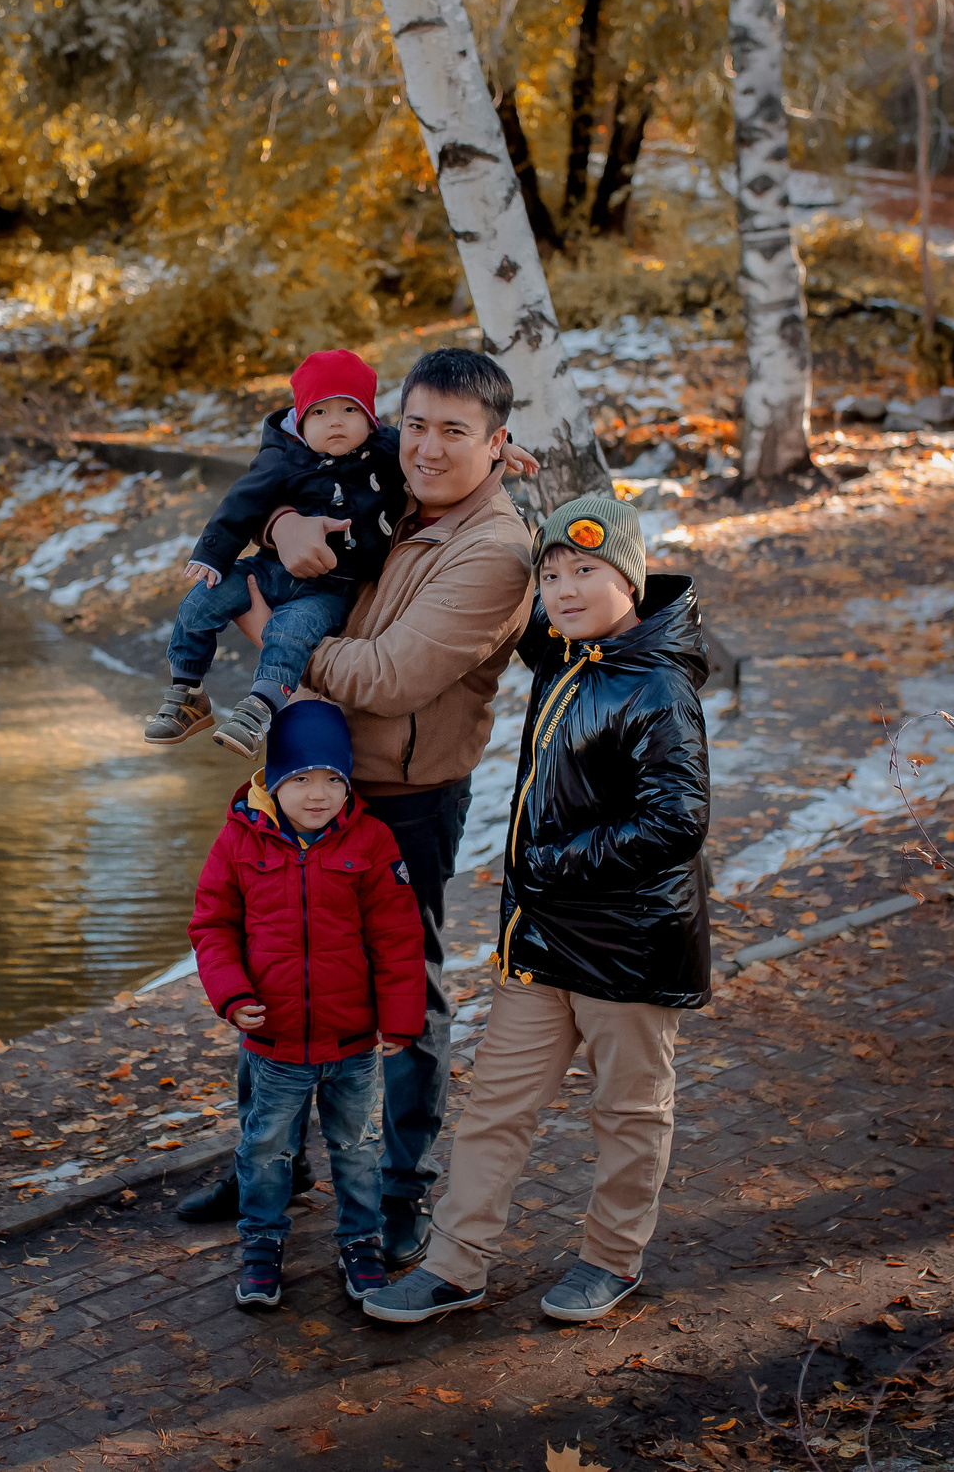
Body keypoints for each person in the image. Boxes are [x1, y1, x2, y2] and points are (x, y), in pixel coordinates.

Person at [173, 347, 540, 1271]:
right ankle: (273, 1165)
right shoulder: (399, 483)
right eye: (414, 423)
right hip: (306, 772)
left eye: (455, 432)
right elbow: (298, 470)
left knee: (402, 989)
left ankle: (401, 1190)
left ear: (497, 444)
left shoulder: (495, 551)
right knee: (274, 958)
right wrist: (292, 516)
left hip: (403, 796)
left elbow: (383, 677)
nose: (424, 446)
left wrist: (266, 636)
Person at [362, 496, 712, 1325]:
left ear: (627, 575)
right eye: (550, 574)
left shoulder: (658, 685)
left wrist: (554, 862)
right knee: (495, 1108)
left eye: (584, 571)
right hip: (541, 941)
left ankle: (612, 1257)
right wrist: (489, 487)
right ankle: (454, 1264)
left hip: (627, 947)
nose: (562, 587)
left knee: (628, 1111)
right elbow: (498, 583)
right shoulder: (568, 657)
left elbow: (677, 820)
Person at [186, 701, 425, 1308]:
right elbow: (212, 927)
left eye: (333, 780)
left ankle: (360, 1244)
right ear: (274, 778)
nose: (318, 795)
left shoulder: (370, 840)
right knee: (266, 1149)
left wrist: (399, 1019)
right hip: (275, 1043)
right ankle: (262, 1246)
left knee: (357, 1148)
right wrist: (232, 996)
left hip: (352, 1044)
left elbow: (397, 937)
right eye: (301, 779)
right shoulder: (239, 839)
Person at [145, 349, 416, 759]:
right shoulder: (285, 455)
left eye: (349, 410)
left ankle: (259, 709)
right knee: (202, 600)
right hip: (268, 570)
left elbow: (437, 448)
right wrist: (213, 554)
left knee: (290, 632)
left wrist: (498, 450)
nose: (336, 421)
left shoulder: (387, 450)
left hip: (330, 587)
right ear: (301, 419)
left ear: (371, 418)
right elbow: (243, 501)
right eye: (320, 413)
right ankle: (188, 691)